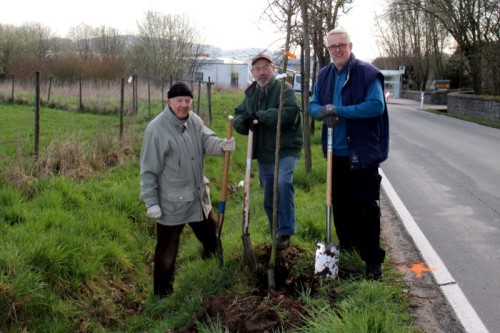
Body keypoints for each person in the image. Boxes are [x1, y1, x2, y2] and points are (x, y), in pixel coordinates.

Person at [139, 82, 236, 297]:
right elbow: (148, 170)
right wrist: (151, 202)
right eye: (179, 101)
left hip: (196, 198)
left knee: (212, 236)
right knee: (167, 252)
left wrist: (221, 145)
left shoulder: (194, 120)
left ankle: (209, 270)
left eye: (187, 101)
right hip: (171, 203)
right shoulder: (156, 130)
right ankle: (162, 295)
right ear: (169, 102)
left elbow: (206, 139)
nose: (184, 105)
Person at [308, 28, 389, 280]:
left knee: (365, 207)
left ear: (350, 46)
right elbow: (312, 104)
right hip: (336, 153)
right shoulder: (324, 75)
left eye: (341, 45)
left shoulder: (367, 73)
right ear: (328, 49)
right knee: (341, 207)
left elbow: (376, 105)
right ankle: (350, 250)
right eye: (333, 47)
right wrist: (321, 112)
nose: (337, 50)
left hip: (362, 153)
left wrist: (339, 110)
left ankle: (372, 260)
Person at [233, 53, 303, 250]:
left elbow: (288, 114)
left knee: (282, 182)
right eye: (257, 69)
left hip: (286, 149)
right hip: (264, 151)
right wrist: (244, 122)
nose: (261, 72)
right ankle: (277, 234)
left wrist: (260, 116)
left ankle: (286, 230)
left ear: (273, 70)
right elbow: (239, 115)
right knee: (268, 194)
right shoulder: (251, 94)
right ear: (252, 72)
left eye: (265, 68)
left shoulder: (284, 90)